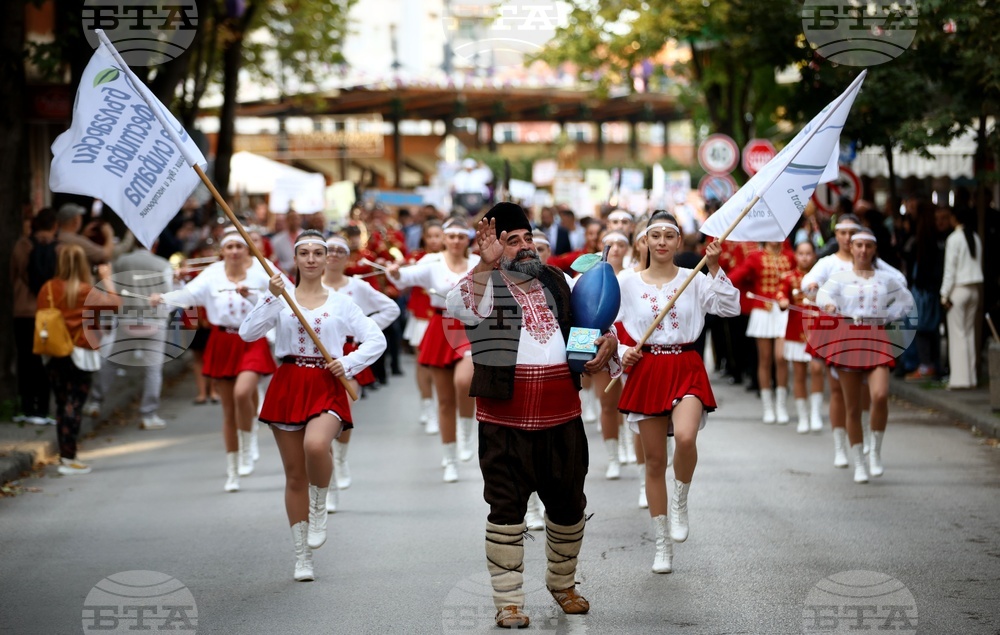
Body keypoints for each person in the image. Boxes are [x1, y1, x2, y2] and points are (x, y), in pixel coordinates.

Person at [447, 202, 619, 629]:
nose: (525, 247)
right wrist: (484, 267)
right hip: (505, 419)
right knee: (505, 509)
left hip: (562, 414)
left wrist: (608, 342)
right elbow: (459, 308)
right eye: (513, 241)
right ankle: (508, 601)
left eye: (528, 238)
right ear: (495, 247)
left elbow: (591, 319)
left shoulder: (555, 279)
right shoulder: (480, 285)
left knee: (568, 506)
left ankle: (562, 584)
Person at [240, 229, 386, 581]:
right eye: (303, 253)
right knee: (293, 475)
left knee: (317, 445)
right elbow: (247, 333)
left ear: (327, 259)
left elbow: (375, 338)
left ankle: (319, 503)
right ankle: (302, 554)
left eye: (317, 253)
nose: (310, 259)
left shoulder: (341, 302)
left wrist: (348, 364)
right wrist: (271, 299)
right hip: (289, 382)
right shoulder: (280, 296)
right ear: (295, 259)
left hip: (326, 382)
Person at [616, 211, 740, 574]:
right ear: (645, 242)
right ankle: (662, 543)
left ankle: (681, 499)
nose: (662, 243)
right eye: (655, 236)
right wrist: (624, 352)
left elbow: (730, 307)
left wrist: (715, 268)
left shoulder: (695, 279)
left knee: (685, 437)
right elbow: (605, 324)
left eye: (669, 236)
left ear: (678, 242)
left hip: (686, 364)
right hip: (647, 368)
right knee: (654, 462)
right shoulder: (627, 282)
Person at [152, 228, 276, 492]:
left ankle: (250, 438)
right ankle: (232, 469)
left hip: (252, 339)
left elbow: (282, 296)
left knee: (244, 392)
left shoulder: (261, 271)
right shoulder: (212, 273)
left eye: (239, 247)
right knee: (228, 410)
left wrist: (253, 296)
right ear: (223, 250)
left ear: (247, 250)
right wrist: (163, 298)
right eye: (229, 247)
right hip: (222, 341)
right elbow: (189, 294)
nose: (233, 252)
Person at [815, 231, 914, 483]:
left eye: (868, 246)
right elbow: (822, 294)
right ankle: (858, 460)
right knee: (853, 406)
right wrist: (829, 306)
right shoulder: (840, 278)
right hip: (847, 339)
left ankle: (876, 453)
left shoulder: (885, 278)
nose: (863, 250)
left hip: (876, 338)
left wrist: (885, 316)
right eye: (858, 245)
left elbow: (905, 300)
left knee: (880, 395)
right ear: (852, 247)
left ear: (874, 249)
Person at [387, 218, 479, 482]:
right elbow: (404, 277)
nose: (456, 241)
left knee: (464, 381)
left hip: (469, 327)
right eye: (451, 236)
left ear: (466, 239)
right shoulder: (431, 261)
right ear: (445, 239)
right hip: (440, 326)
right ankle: (449, 457)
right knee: (445, 399)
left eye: (461, 237)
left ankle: (465, 433)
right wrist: (394, 271)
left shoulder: (476, 263)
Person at [322, 234, 400, 511]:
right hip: (318, 358)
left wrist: (364, 329)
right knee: (321, 419)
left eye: (338, 251)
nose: (332, 255)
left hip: (348, 356)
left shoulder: (357, 286)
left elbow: (390, 308)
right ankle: (328, 478)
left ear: (347, 257)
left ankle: (340, 459)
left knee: (339, 412)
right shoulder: (310, 286)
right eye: (326, 250)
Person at [38, 245, 122, 475]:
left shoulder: (47, 288)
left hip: (53, 351)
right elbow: (116, 305)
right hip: (80, 352)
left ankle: (66, 457)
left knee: (61, 404)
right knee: (74, 404)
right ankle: (69, 456)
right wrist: (107, 279)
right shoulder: (85, 290)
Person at [86, 240, 175, 429]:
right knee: (153, 369)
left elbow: (111, 287)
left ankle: (95, 401)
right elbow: (169, 295)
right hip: (154, 321)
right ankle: (148, 414)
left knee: (111, 361)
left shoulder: (121, 262)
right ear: (155, 244)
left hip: (127, 319)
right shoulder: (162, 264)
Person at [729, 241, 795, 424]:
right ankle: (768, 406)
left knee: (781, 358)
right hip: (763, 311)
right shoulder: (755, 257)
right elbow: (737, 275)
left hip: (783, 311)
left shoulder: (789, 256)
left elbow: (798, 277)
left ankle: (781, 404)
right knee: (764, 359)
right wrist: (718, 280)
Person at [12, 207, 57, 425]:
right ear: (54, 225)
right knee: (45, 358)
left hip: (23, 309)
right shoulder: (57, 247)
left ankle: (27, 406)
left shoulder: (23, 245)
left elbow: (15, 273)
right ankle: (43, 407)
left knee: (25, 358)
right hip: (47, 309)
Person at [776, 240, 825, 433]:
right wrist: (783, 300)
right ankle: (803, 416)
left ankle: (815, 414)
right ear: (795, 255)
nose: (805, 257)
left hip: (817, 332)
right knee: (798, 374)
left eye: (808, 253)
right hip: (795, 332)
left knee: (816, 370)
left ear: (814, 256)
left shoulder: (821, 279)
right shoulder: (788, 278)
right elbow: (780, 294)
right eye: (801, 253)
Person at [402, 220, 445, 435]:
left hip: (446, 316)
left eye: (439, 235)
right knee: (423, 363)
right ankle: (427, 405)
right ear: (424, 238)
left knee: (444, 366)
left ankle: (443, 405)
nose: (435, 240)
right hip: (422, 314)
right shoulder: (417, 260)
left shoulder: (452, 259)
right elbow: (402, 281)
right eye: (431, 236)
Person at [940, 207, 984, 390]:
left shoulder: (954, 239)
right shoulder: (975, 237)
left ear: (955, 218)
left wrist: (944, 294)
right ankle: (971, 378)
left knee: (957, 334)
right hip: (975, 288)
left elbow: (950, 270)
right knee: (968, 333)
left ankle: (960, 380)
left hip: (959, 289)